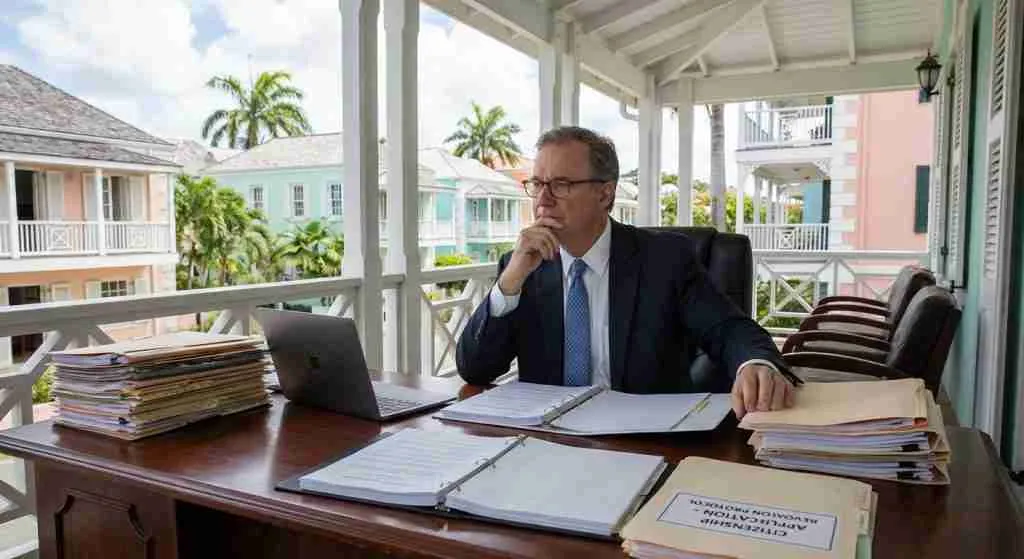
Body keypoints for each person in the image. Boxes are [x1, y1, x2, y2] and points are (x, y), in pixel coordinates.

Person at [455, 126, 797, 418]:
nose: (543, 199)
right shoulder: (522, 267)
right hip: (549, 441)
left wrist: (756, 363)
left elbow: (728, 329)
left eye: (560, 184)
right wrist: (509, 283)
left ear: (605, 194)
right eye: (537, 184)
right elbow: (475, 370)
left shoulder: (666, 259)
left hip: (644, 438)